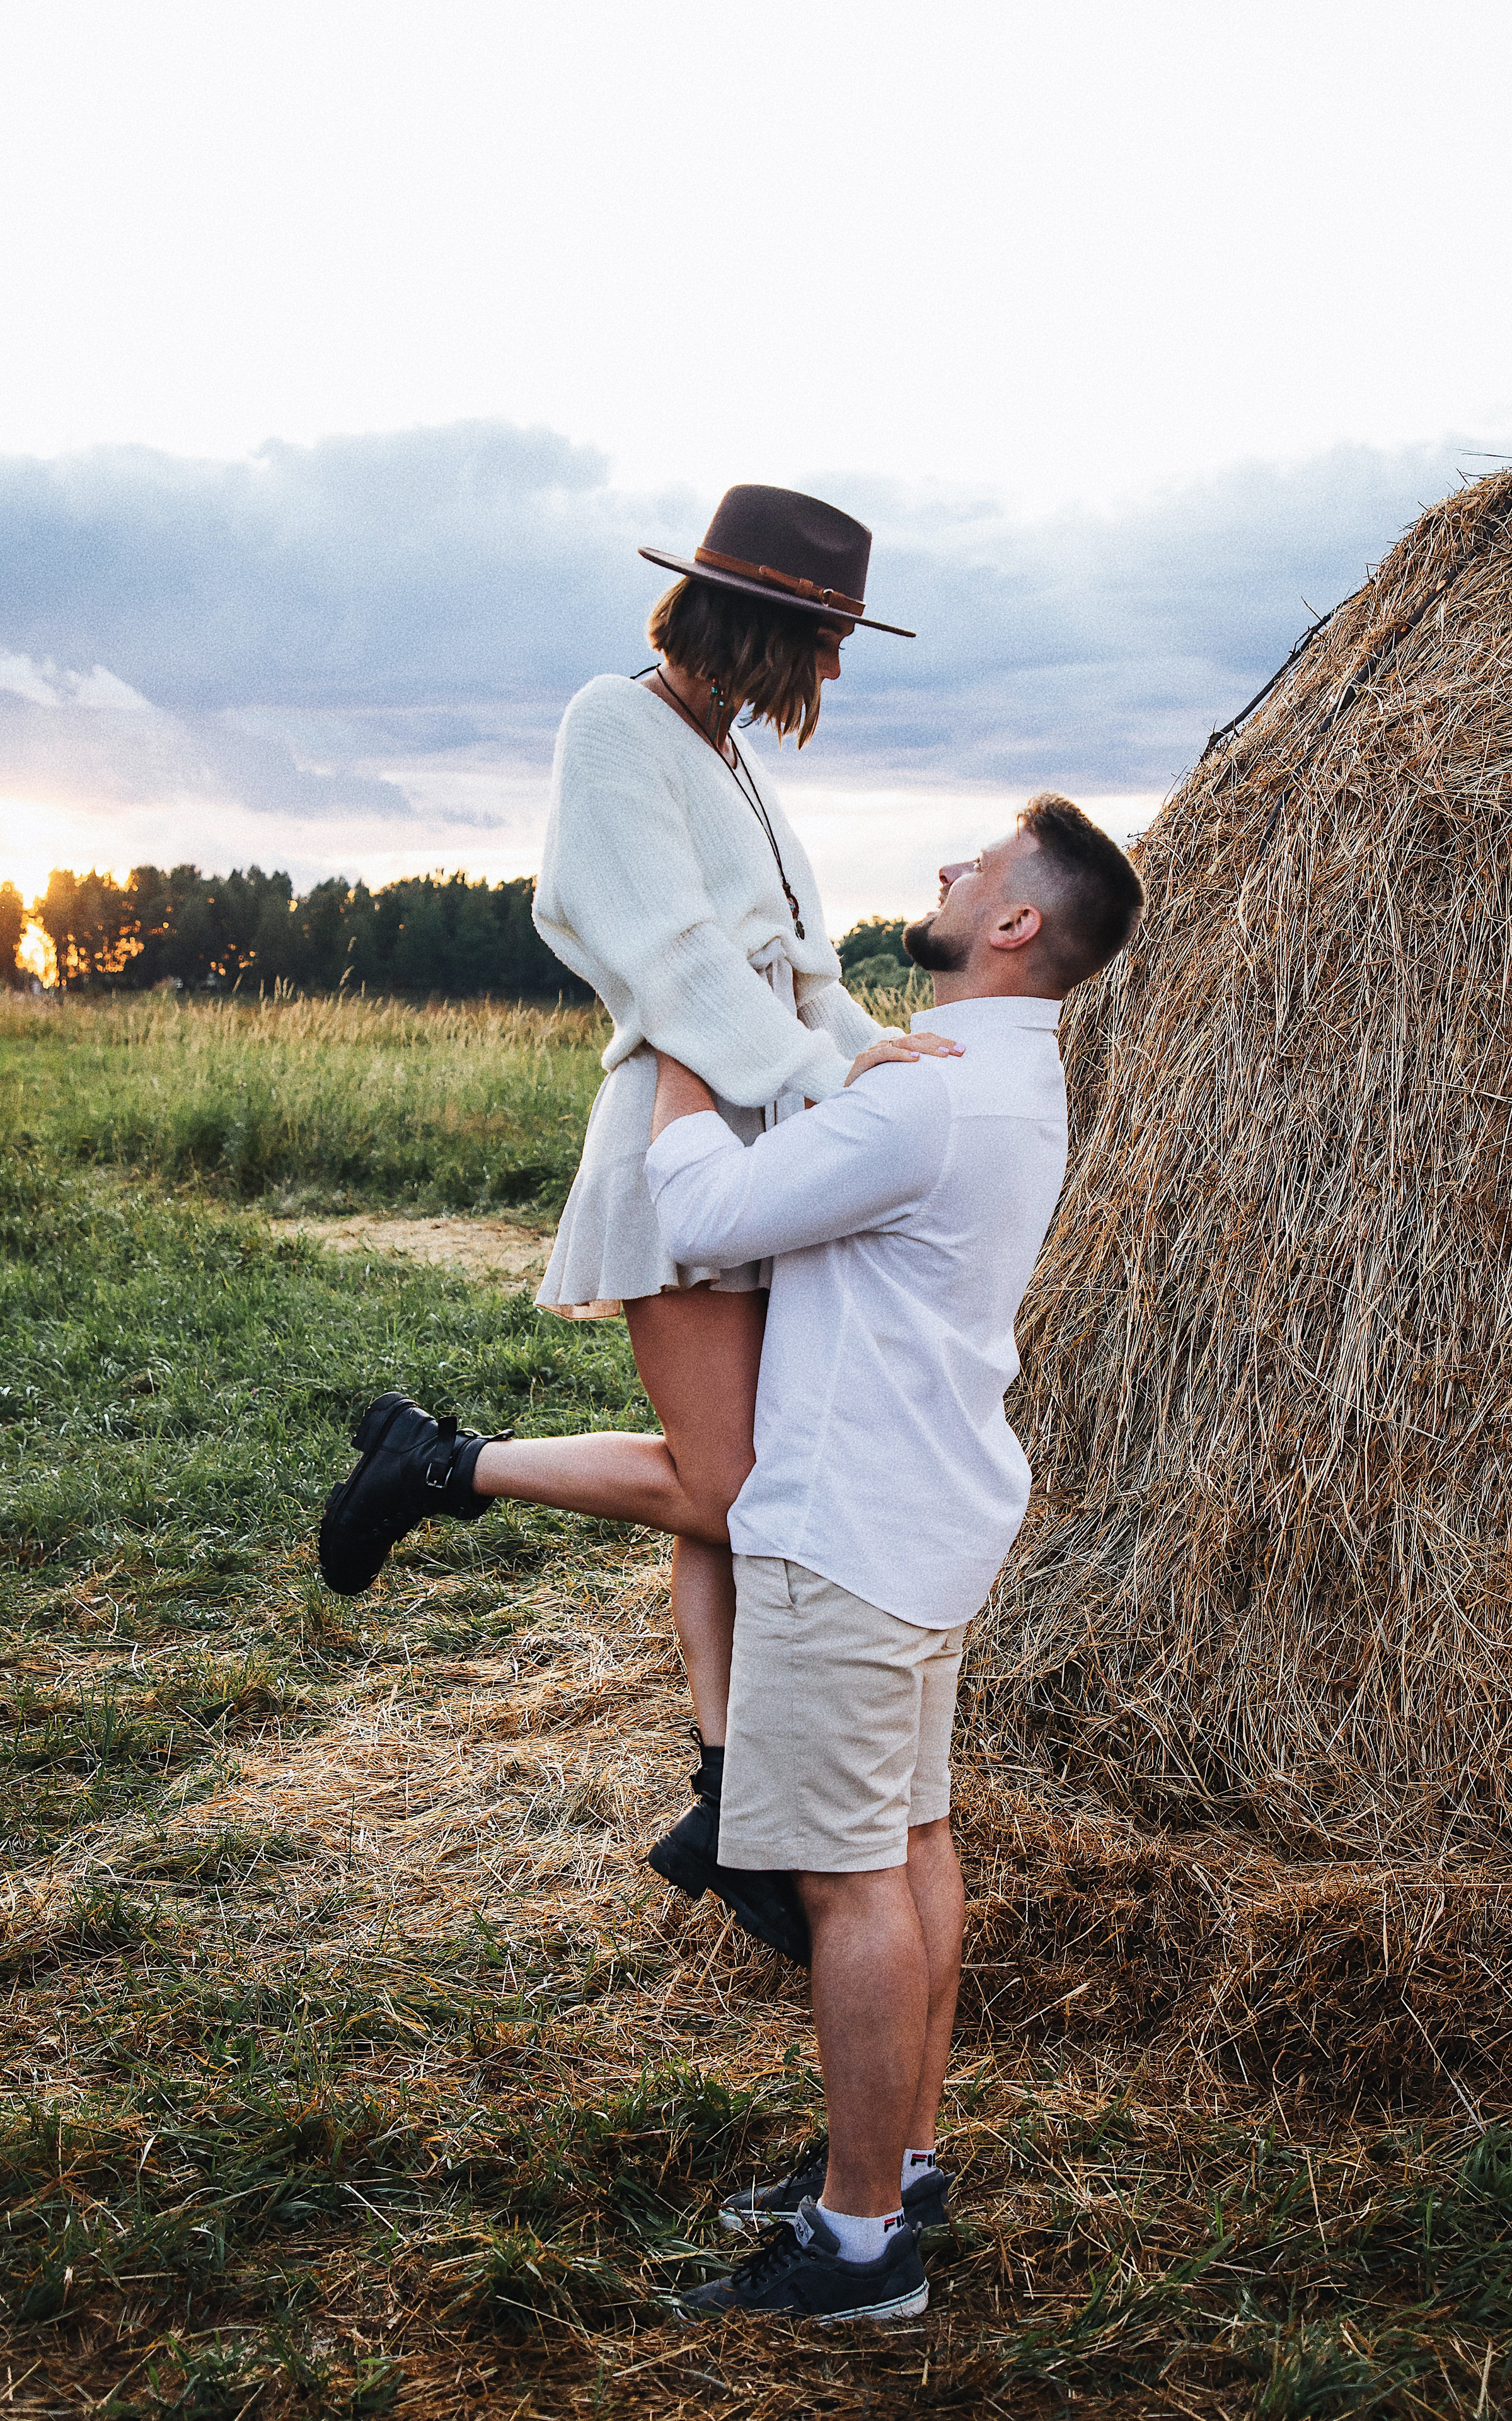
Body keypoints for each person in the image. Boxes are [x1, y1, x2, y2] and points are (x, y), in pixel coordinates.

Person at [316, 484, 957, 1964]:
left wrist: (880, 1063)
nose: (838, 673)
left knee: (749, 1481)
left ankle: (734, 1802)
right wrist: (826, 1076)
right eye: (828, 639)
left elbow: (796, 974)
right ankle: (439, 1464)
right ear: (762, 625)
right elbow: (669, 961)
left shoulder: (727, 756)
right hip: (680, 1141)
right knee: (732, 1490)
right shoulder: (613, 729)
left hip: (771, 1149)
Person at [640, 795, 1144, 2323]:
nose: (942, 869)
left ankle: (858, 2247)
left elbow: (701, 1202)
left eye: (973, 866)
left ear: (1011, 924)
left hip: (846, 1532)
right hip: (922, 1525)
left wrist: (681, 1043)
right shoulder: (997, 1083)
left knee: (850, 1881)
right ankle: (900, 2159)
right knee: (914, 1846)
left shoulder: (919, 1100)